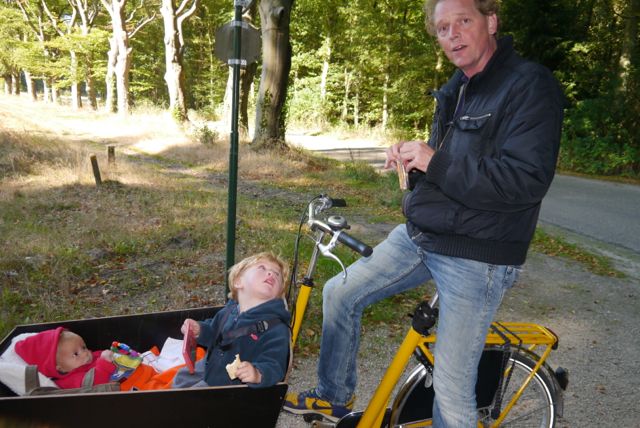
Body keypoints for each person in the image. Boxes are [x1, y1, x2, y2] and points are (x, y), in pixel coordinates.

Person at [283, 0, 564, 425]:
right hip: (423, 235)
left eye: (463, 21)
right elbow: (450, 170)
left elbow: (524, 181)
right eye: (443, 28)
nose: (453, 35)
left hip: (477, 255)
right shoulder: (457, 88)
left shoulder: (529, 85)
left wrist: (435, 161)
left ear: (491, 21)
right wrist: (413, 164)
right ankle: (332, 396)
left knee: (450, 393)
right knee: (339, 292)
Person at [172, 252, 291, 388]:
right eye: (262, 268)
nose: (271, 274)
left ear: (278, 294)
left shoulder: (276, 328)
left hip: (229, 387)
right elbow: (214, 332)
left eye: (277, 274)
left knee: (190, 396)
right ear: (238, 282)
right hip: (212, 366)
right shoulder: (230, 310)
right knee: (181, 377)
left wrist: (258, 373)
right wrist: (200, 330)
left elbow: (275, 364)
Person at [15, 327, 116, 389]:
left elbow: (101, 355)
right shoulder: (69, 381)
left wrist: (114, 353)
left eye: (83, 347)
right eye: (75, 354)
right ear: (60, 368)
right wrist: (104, 363)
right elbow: (95, 383)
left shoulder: (87, 359)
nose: (85, 353)